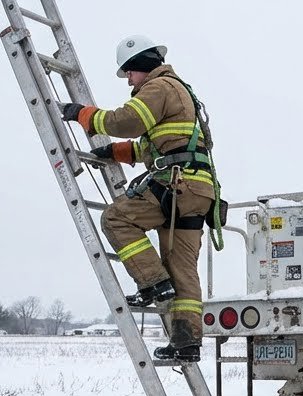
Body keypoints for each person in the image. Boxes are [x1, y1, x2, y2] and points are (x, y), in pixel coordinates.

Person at [58, 35, 222, 362]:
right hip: (199, 190)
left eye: (129, 73)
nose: (128, 80)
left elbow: (125, 121)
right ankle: (187, 343)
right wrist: (116, 152)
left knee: (116, 219)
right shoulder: (182, 92)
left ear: (141, 66)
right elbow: (161, 146)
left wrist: (82, 113)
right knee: (183, 270)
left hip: (177, 185)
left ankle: (153, 284)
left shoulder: (159, 87)